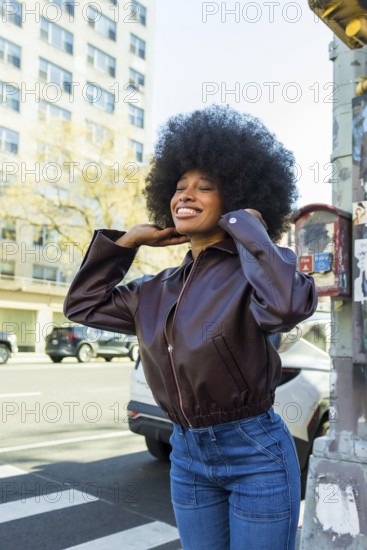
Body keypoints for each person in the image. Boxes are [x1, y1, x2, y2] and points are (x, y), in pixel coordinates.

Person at [64, 105, 317, 550]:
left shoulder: (255, 273)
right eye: (179, 188)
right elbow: (83, 304)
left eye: (205, 187)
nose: (185, 195)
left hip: (254, 453)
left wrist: (247, 228)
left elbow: (288, 306)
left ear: (233, 197)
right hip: (186, 455)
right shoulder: (154, 290)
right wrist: (128, 242)